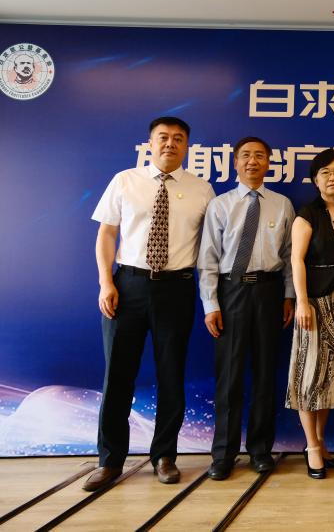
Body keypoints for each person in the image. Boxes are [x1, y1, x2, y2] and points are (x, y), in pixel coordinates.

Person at [85, 117, 215, 491]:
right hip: (128, 286)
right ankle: (110, 460)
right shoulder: (125, 180)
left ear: (187, 146)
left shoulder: (202, 189)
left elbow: (209, 247)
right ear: (150, 143)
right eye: (163, 137)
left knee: (171, 373)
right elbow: (106, 233)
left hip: (177, 288)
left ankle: (165, 457)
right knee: (118, 375)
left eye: (178, 139)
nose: (170, 144)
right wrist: (106, 281)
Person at [198, 136, 295, 480]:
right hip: (232, 292)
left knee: (266, 374)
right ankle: (223, 454)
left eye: (259, 156)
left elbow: (288, 256)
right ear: (235, 163)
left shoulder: (282, 205)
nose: (252, 161)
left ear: (269, 162)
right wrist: (211, 303)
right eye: (246, 156)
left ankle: (260, 450)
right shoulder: (220, 205)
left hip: (270, 292)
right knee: (230, 376)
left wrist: (289, 296)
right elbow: (208, 257)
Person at [286, 148, 334, 480]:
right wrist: (302, 302)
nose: (332, 178)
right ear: (315, 180)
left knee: (331, 380)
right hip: (316, 306)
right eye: (325, 173)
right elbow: (296, 260)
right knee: (310, 377)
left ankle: (321, 442)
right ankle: (311, 447)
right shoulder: (307, 214)